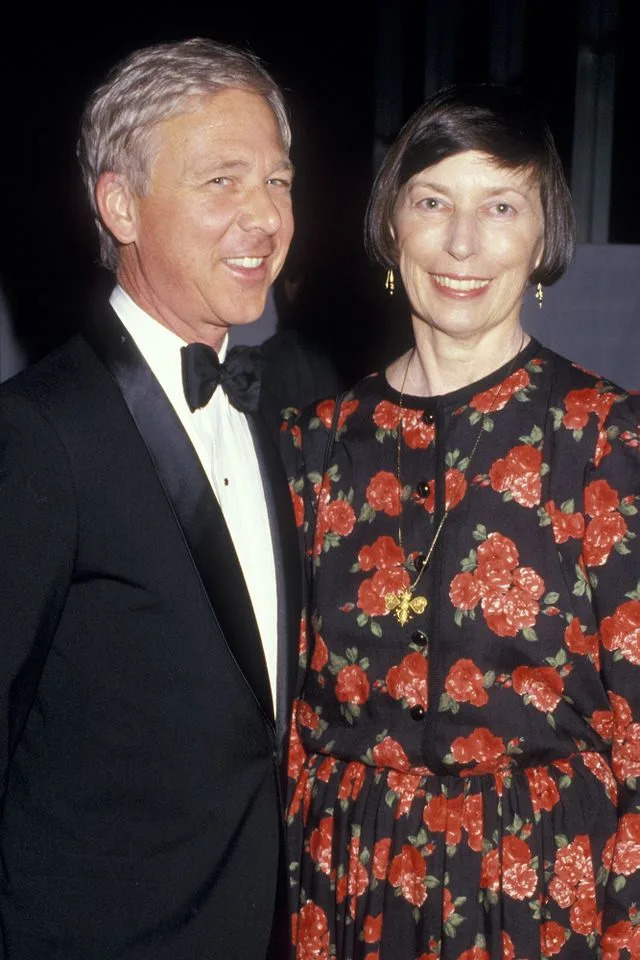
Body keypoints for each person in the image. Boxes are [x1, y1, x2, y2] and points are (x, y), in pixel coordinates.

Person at [282, 84, 640, 959]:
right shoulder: (310, 449)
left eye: (502, 205)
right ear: (390, 225)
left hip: (548, 896)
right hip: (349, 891)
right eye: (434, 200)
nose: (464, 243)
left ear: (544, 235)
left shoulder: (605, 440)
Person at [0, 37, 306, 960]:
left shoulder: (282, 407)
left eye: (280, 181)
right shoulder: (37, 435)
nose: (266, 218)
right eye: (223, 182)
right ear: (120, 205)